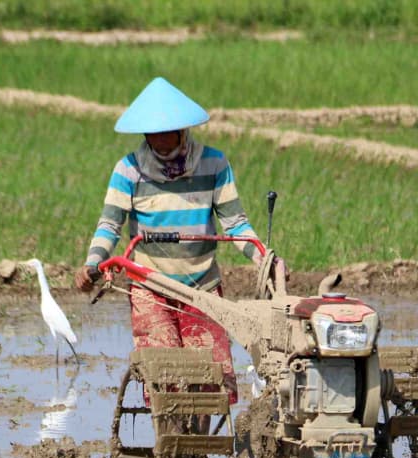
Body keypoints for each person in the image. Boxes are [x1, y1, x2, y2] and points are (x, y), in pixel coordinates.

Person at [76, 77, 286, 404]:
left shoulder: (214, 164)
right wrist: (93, 263)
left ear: (182, 130)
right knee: (164, 376)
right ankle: (169, 430)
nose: (160, 139)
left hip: (202, 285)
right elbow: (110, 225)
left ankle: (199, 433)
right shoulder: (128, 170)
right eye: (153, 132)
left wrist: (263, 259)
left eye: (167, 131)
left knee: (211, 380)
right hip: (149, 284)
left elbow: (235, 223)